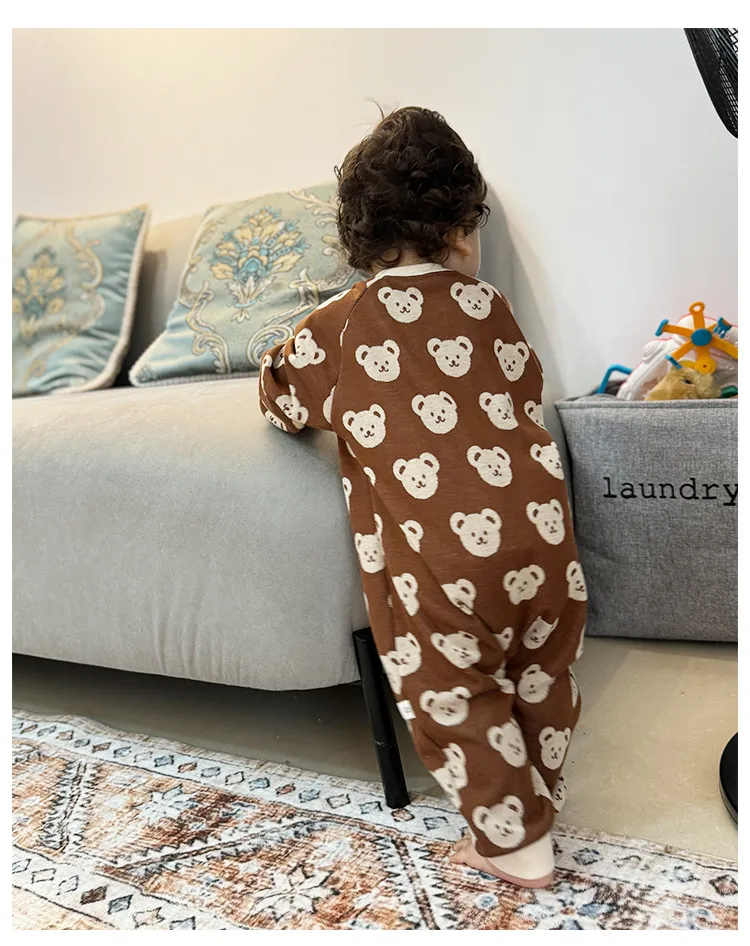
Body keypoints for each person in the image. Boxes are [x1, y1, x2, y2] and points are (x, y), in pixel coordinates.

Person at [259, 106, 586, 887]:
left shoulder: (341, 323)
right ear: (462, 231)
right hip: (545, 538)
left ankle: (515, 843)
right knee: (542, 673)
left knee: (454, 690)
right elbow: (524, 391)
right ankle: (538, 793)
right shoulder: (493, 308)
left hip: (443, 561)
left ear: (358, 241)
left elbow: (281, 395)